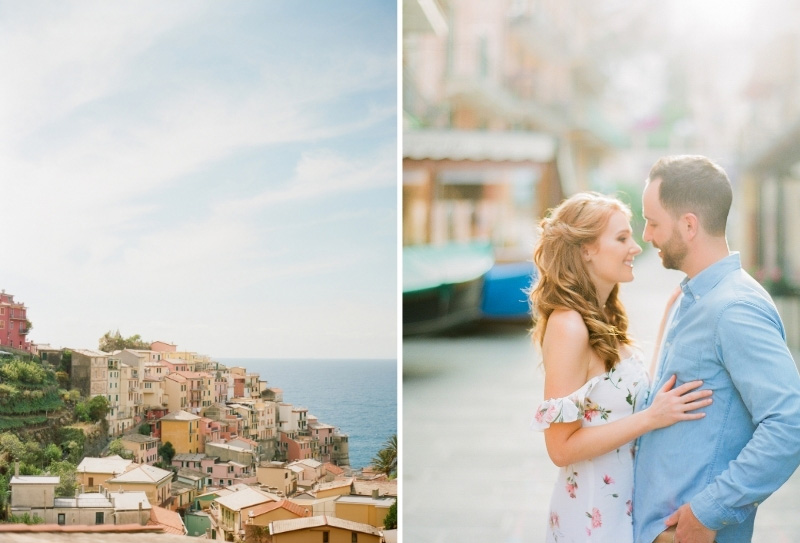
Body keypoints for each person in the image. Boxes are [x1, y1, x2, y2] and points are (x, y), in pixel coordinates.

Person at [633, 155, 800, 543]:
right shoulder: (694, 298)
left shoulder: (734, 309)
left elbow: (789, 422)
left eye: (653, 222)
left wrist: (708, 512)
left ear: (689, 225)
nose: (646, 235)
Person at [530, 192, 713, 543]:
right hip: (590, 518)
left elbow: (629, 398)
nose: (636, 247)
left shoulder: (604, 318)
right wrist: (652, 418)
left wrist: (671, 315)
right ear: (585, 249)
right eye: (621, 238)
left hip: (624, 511)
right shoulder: (569, 325)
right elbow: (560, 448)